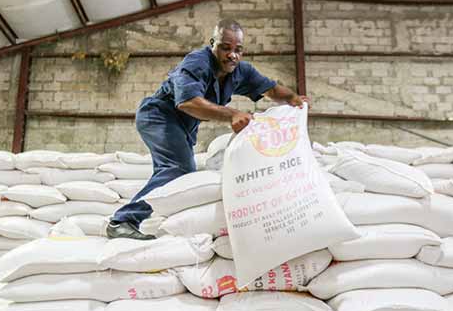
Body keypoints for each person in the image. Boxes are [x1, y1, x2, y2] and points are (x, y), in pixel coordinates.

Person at [107, 19, 309, 240]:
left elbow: (270, 88)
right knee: (179, 169)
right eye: (225, 47)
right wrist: (231, 114)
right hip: (159, 117)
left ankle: (142, 219)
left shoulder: (240, 71)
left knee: (170, 173)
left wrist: (292, 98)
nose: (232, 55)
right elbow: (187, 102)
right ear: (213, 43)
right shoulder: (197, 63)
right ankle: (123, 221)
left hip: (184, 126)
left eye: (238, 50)